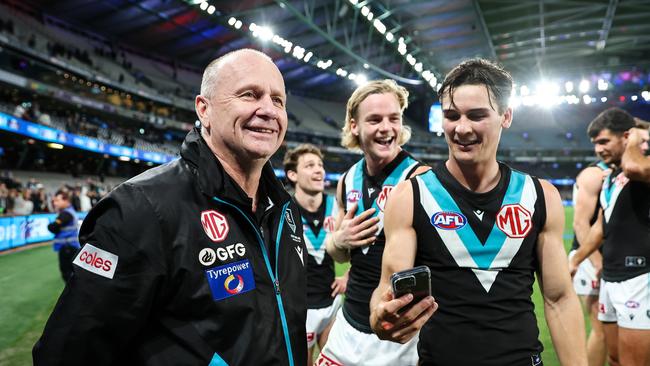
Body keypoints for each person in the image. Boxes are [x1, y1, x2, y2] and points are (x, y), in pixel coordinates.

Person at [33, 49, 308, 365]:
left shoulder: (285, 209)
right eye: (249, 95)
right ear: (203, 109)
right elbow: (67, 353)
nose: (268, 110)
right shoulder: (140, 208)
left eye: (278, 101)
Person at [370, 59, 588, 365]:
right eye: (451, 116)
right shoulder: (410, 196)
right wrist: (380, 317)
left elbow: (559, 299)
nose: (461, 128)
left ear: (506, 116)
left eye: (476, 116)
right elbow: (387, 288)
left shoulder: (540, 196)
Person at [316, 79, 429, 366]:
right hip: (348, 324)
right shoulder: (346, 180)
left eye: (394, 118)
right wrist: (338, 241)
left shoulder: (421, 179)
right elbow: (338, 253)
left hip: (398, 335)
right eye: (375, 119)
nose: (386, 128)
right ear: (355, 126)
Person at [570, 108, 650, 366]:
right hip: (611, 276)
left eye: (604, 142)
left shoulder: (641, 164)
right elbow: (602, 226)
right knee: (615, 357)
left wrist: (637, 138)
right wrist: (576, 259)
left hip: (639, 277)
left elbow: (635, 167)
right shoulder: (612, 176)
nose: (598, 150)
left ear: (626, 136)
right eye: (595, 144)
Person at [283, 143, 348, 365]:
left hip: (332, 304)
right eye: (310, 166)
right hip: (302, 308)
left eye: (320, 165)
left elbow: (364, 244)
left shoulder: (337, 207)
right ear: (292, 174)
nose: (319, 170)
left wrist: (349, 274)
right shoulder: (283, 211)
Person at [570, 160, 609, 366]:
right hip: (591, 256)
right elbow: (580, 223)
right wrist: (597, 262)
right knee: (601, 328)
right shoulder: (594, 174)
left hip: (618, 256)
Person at [48, 190, 81, 283]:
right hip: (71, 247)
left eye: (57, 200)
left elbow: (53, 227)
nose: (55, 203)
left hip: (67, 248)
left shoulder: (66, 213)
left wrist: (51, 226)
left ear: (66, 200)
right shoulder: (70, 211)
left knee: (67, 274)